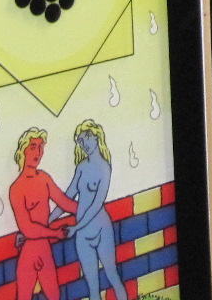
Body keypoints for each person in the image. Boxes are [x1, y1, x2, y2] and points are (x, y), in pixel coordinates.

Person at [8, 127, 76, 300]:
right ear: (23, 150)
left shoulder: (44, 178)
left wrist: (89, 209)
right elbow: (27, 228)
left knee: (54, 295)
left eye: (41, 147)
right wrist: (55, 233)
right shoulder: (16, 188)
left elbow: (64, 202)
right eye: (33, 147)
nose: (38, 152)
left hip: (44, 250)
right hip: (29, 252)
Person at [65, 119, 127, 300]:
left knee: (112, 274)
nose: (84, 143)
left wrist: (76, 227)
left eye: (87, 137)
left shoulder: (104, 167)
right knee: (92, 287)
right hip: (83, 235)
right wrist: (48, 221)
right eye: (80, 140)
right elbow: (67, 196)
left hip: (101, 229)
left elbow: (96, 204)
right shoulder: (81, 168)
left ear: (96, 136)